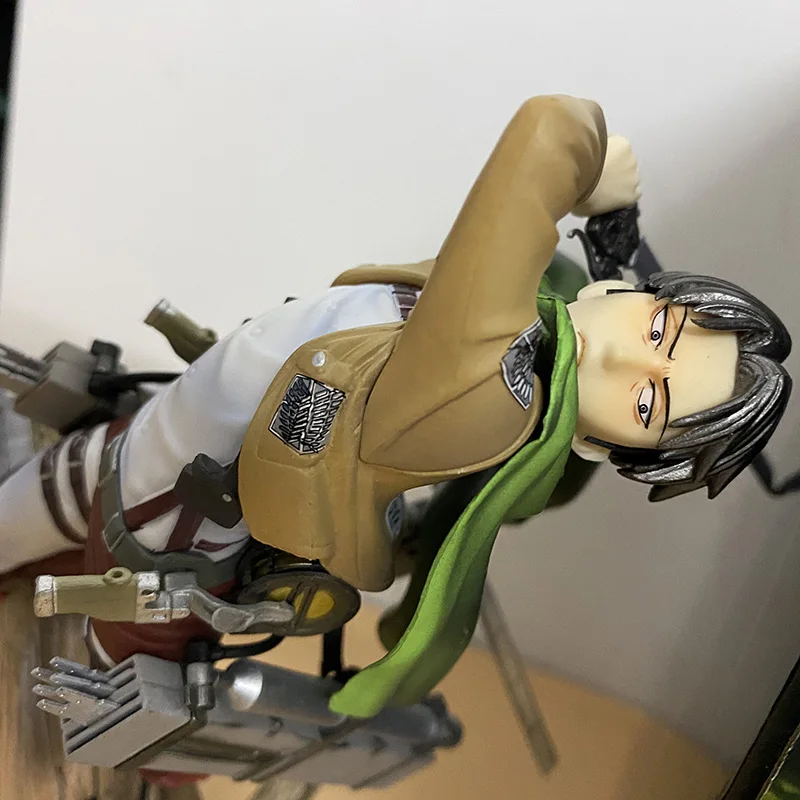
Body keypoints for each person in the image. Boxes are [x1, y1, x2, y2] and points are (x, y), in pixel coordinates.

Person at [0, 95, 791, 715]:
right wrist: (613, 242)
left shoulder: (489, 390)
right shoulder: (546, 302)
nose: (621, 359)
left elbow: (548, 133)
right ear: (629, 292)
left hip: (167, 523)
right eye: (657, 329)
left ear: (600, 446)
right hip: (149, 440)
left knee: (113, 697)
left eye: (646, 403)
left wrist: (602, 181)